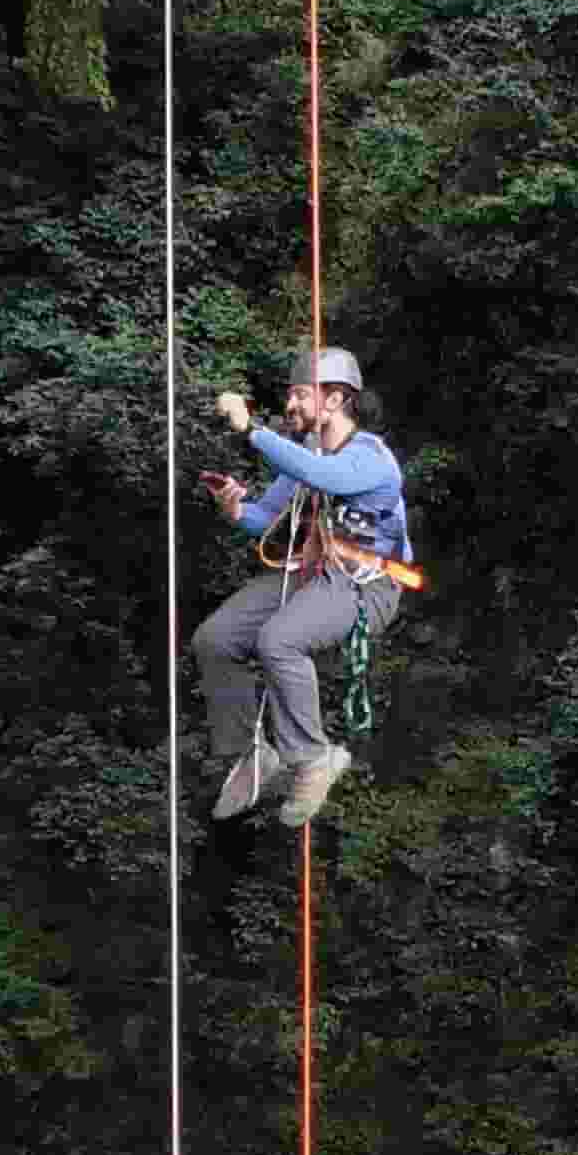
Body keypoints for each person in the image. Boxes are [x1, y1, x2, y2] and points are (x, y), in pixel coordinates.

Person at [194, 346, 416, 831]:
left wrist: (251, 430)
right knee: (215, 639)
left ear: (334, 400)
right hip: (315, 572)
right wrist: (235, 508)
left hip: (368, 585)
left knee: (279, 639)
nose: (290, 405)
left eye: (299, 395)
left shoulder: (370, 457)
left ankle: (313, 757)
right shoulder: (310, 454)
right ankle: (253, 754)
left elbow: (323, 477)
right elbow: (263, 518)